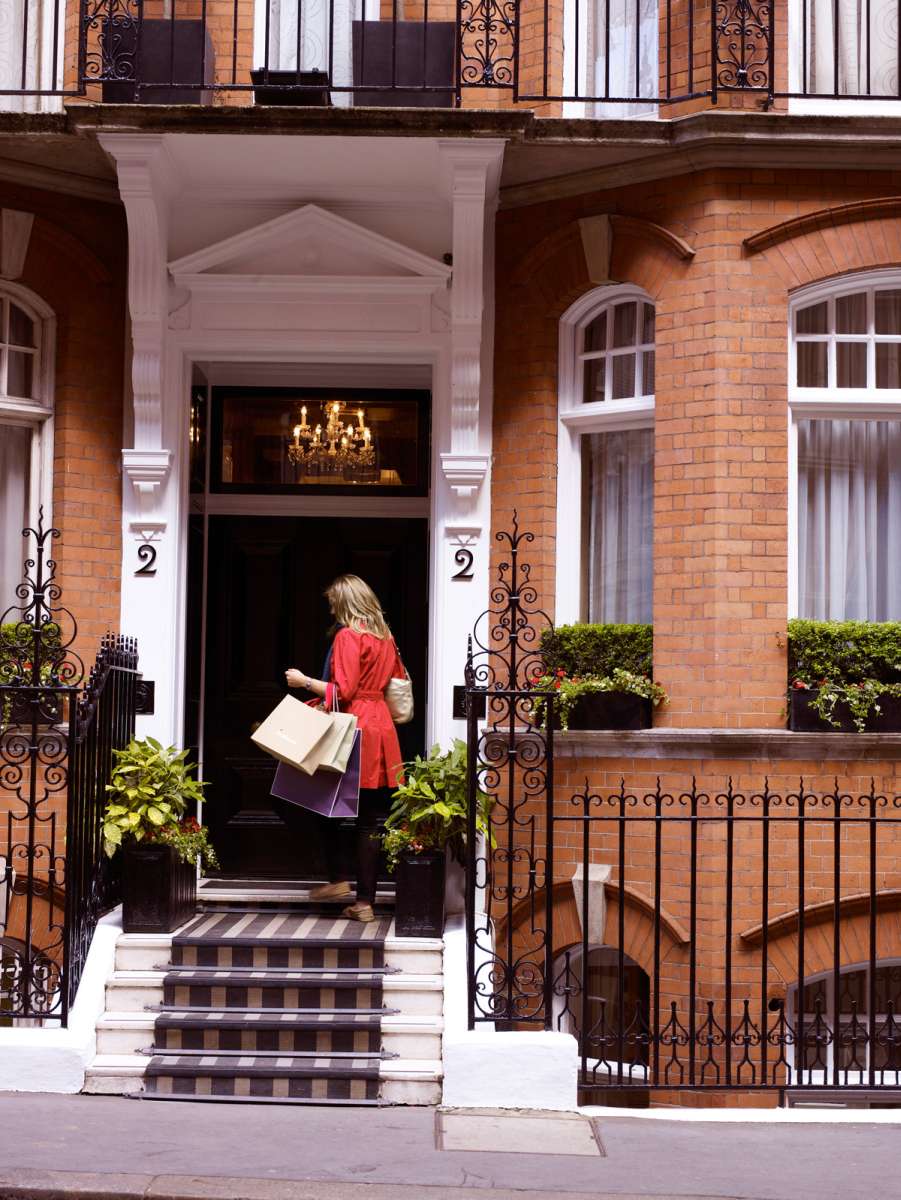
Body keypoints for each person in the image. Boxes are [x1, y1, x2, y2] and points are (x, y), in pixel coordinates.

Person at [285, 574, 405, 923]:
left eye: (333, 604)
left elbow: (344, 690)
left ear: (345, 603)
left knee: (318, 803)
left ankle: (338, 879)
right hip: (380, 726)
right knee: (369, 819)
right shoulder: (386, 638)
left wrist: (303, 681)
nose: (332, 610)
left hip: (354, 728)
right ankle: (364, 902)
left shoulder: (348, 636)